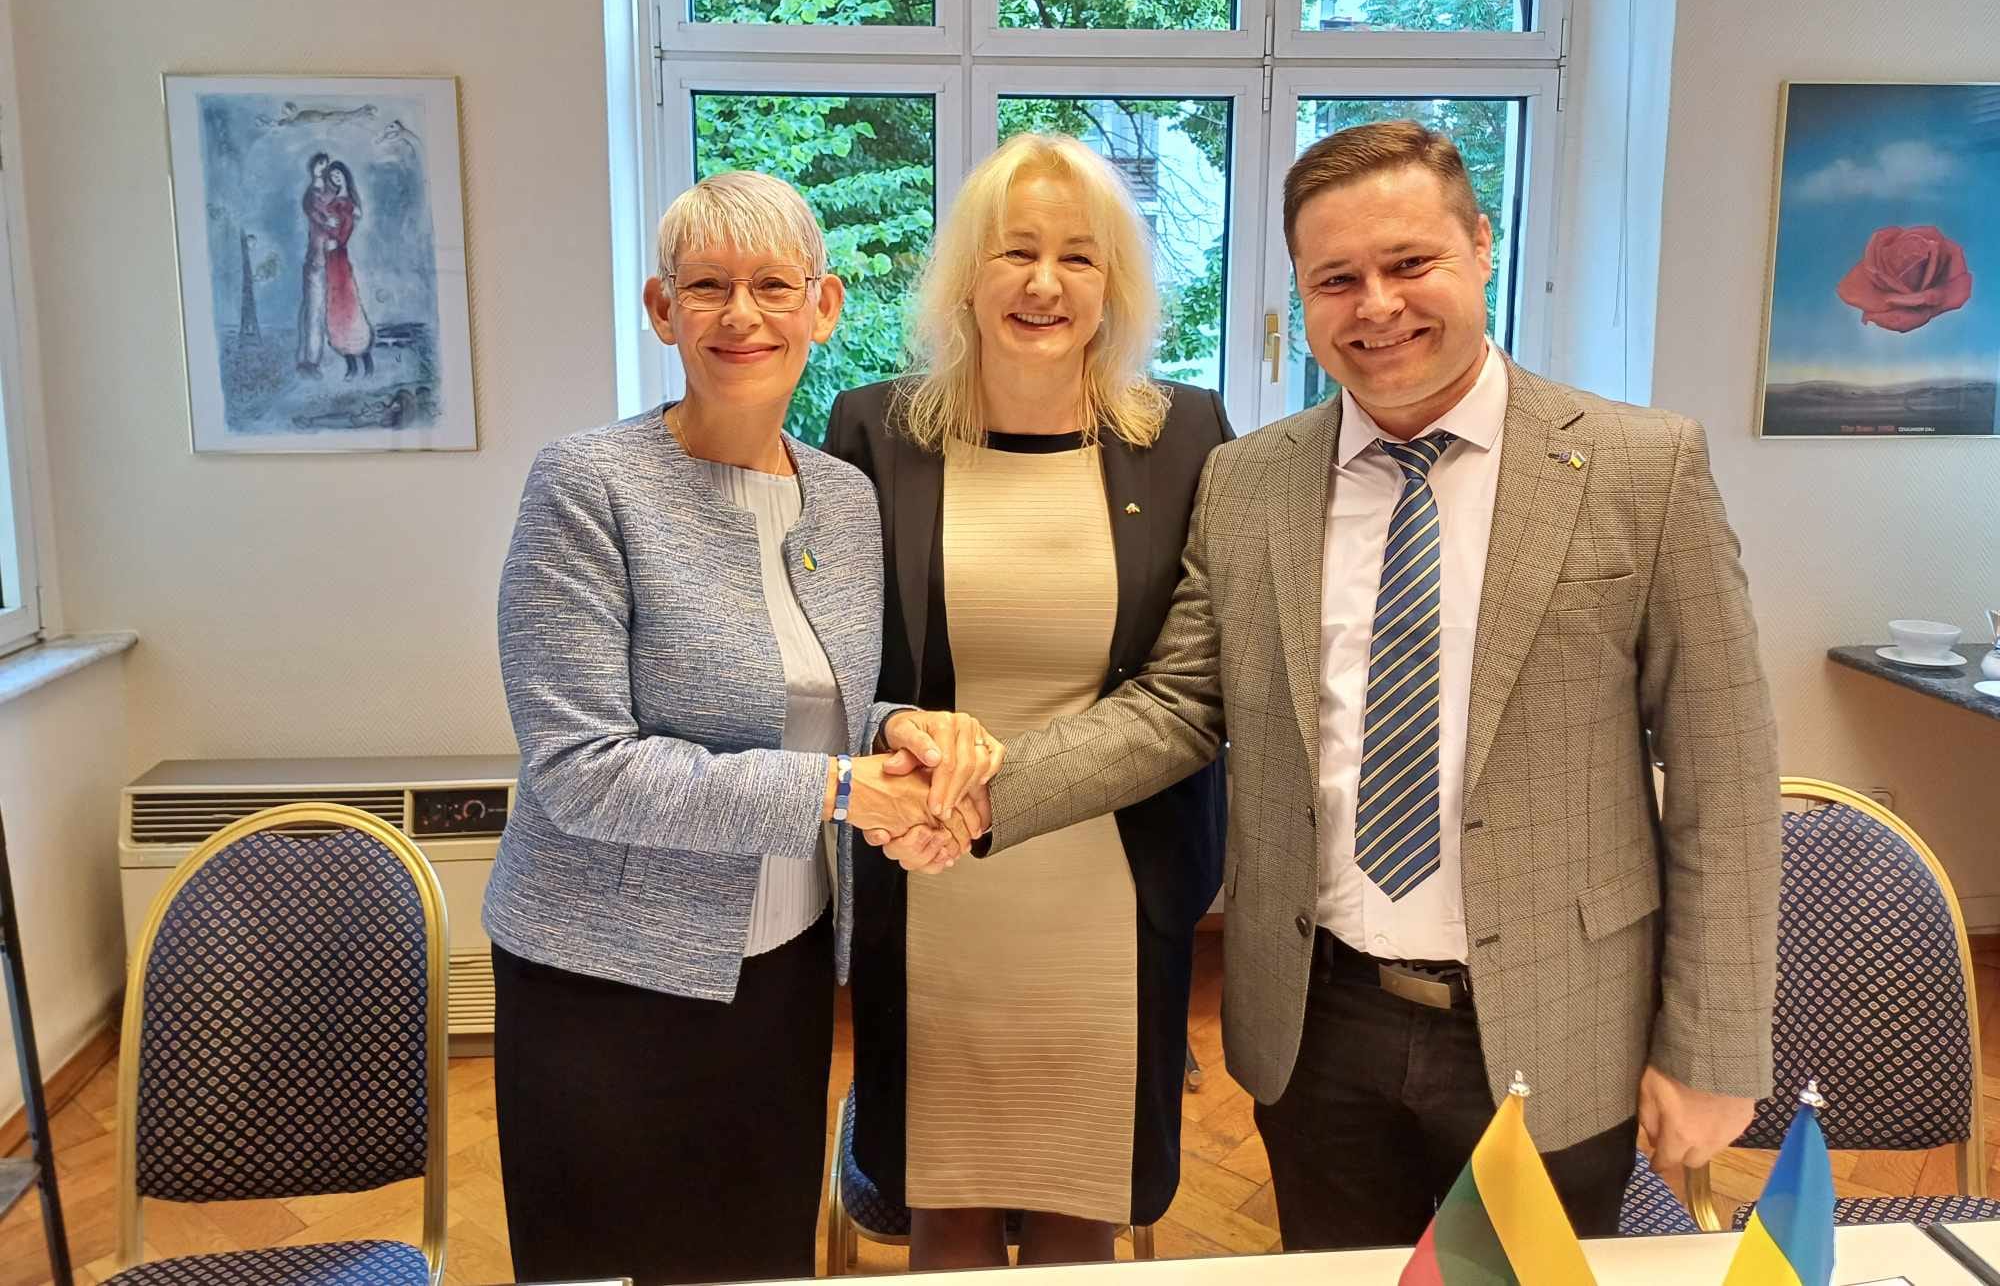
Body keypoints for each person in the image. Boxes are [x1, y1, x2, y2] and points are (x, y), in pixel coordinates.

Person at [890, 120, 1781, 1249]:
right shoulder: (1250, 480)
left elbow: (1722, 772)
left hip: (1554, 1029)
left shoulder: (1639, 470)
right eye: (1336, 279)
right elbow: (1178, 704)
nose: (1377, 306)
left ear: (1482, 247)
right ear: (1301, 293)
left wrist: (1711, 1046)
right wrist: (975, 794)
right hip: (1318, 1028)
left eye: (1410, 263)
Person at [485, 169, 997, 1286]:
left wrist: (906, 732)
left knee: (757, 1257)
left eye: (773, 285)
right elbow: (582, 769)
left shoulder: (844, 498)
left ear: (825, 305)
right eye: (707, 285)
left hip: (785, 967)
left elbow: (818, 703)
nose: (741, 315)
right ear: (661, 309)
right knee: (600, 1268)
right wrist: (844, 790)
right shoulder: (586, 484)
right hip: (601, 976)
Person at [826, 132, 1230, 1269]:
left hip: (1112, 886)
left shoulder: (1187, 437)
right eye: (1015, 252)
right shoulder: (874, 431)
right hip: (929, 875)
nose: (1044, 284)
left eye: (1077, 256)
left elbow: (1192, 684)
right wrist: (900, 747)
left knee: (1080, 1197)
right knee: (942, 1200)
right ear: (967, 273)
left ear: (1114, 284)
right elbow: (838, 664)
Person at [322, 161, 374, 378]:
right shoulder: (333, 202)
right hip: (331, 258)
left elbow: (346, 228)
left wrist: (337, 241)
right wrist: (328, 232)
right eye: (332, 177)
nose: (336, 179)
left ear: (345, 175)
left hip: (339, 256)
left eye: (338, 175)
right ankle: (351, 364)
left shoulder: (349, 204)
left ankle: (366, 361)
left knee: (348, 302)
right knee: (335, 305)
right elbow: (329, 226)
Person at [296, 151, 333, 375]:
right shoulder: (311, 195)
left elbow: (342, 212)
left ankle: (308, 359)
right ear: (312, 166)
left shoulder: (330, 191)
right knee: (313, 310)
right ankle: (310, 362)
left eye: (325, 165)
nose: (323, 167)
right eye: (320, 163)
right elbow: (318, 216)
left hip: (329, 258)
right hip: (317, 258)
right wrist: (329, 222)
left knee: (316, 309)